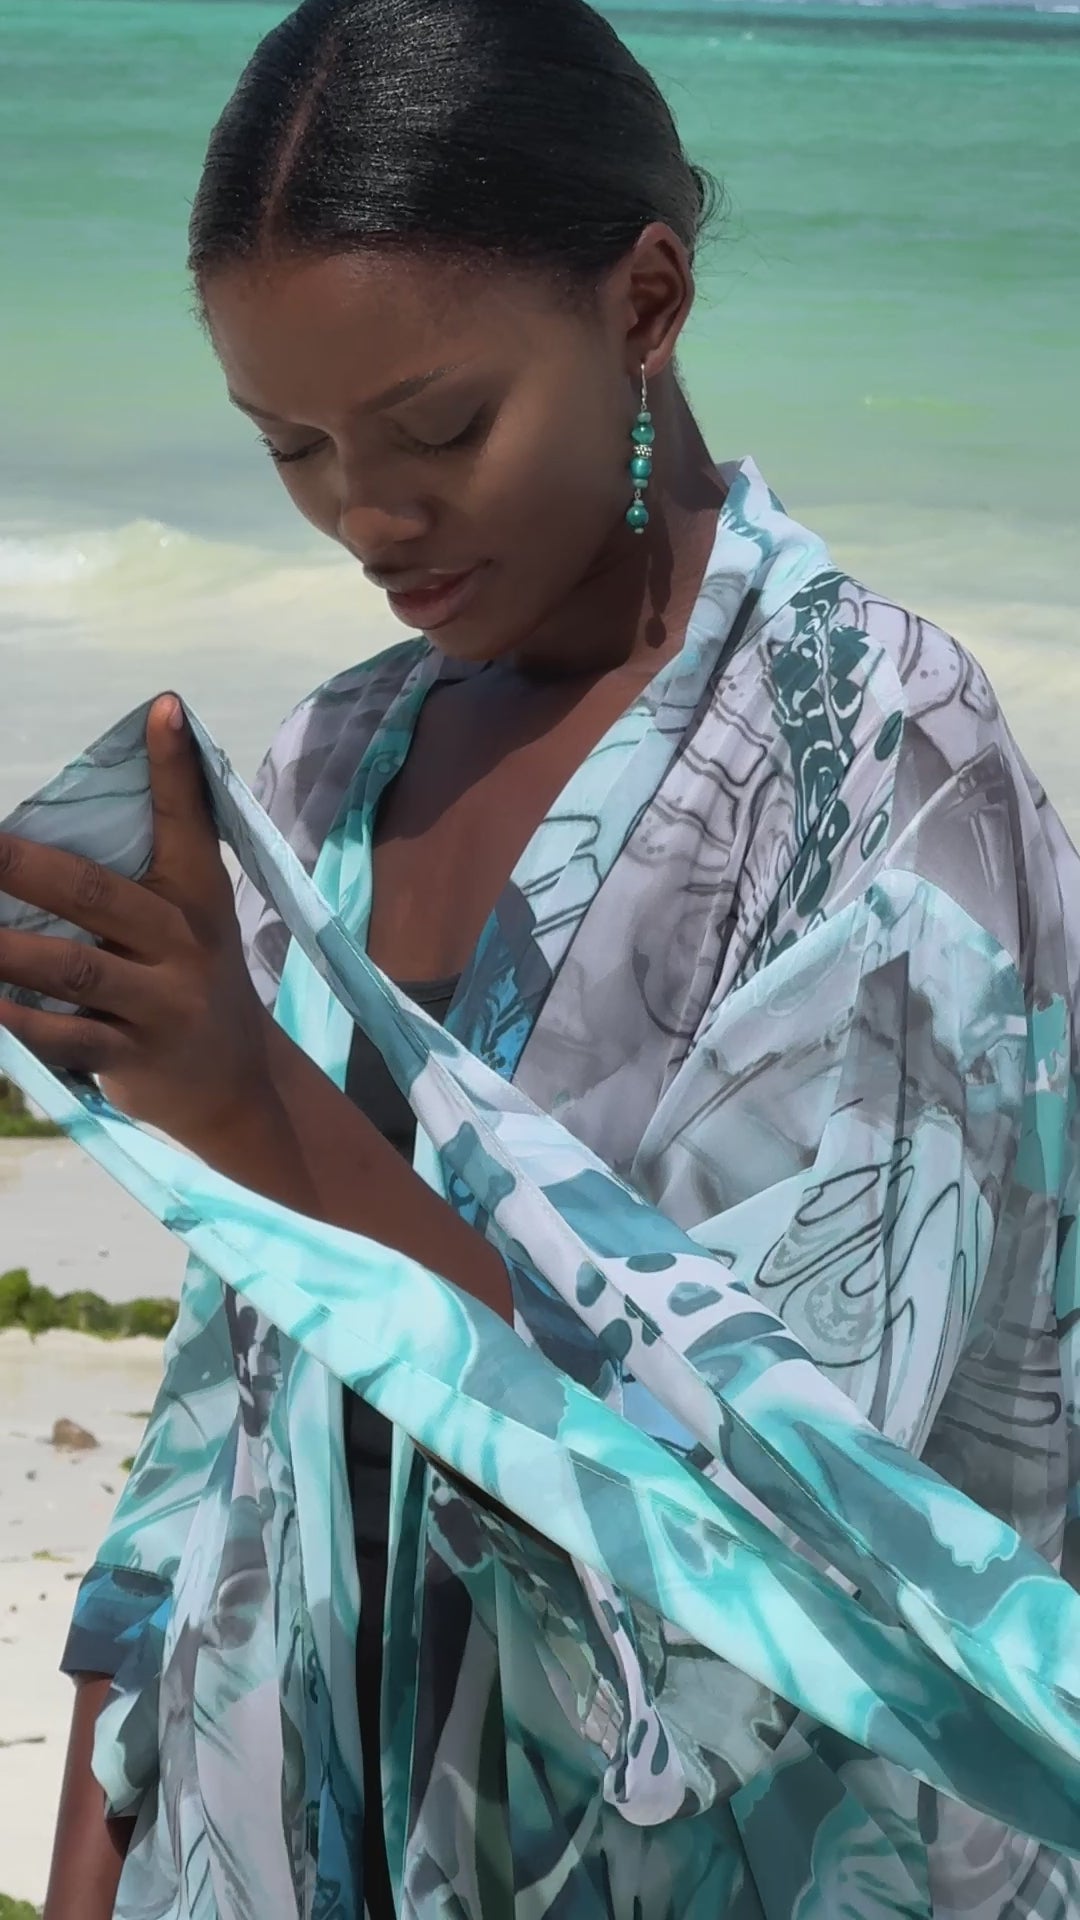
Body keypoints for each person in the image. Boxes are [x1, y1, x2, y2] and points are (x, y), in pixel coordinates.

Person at [1, 0, 1078, 1913]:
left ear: (644, 302)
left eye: (440, 428)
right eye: (292, 448)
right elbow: (219, 1430)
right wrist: (96, 1856)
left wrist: (251, 1110)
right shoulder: (334, 761)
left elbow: (800, 1557)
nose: (368, 516)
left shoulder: (875, 768)